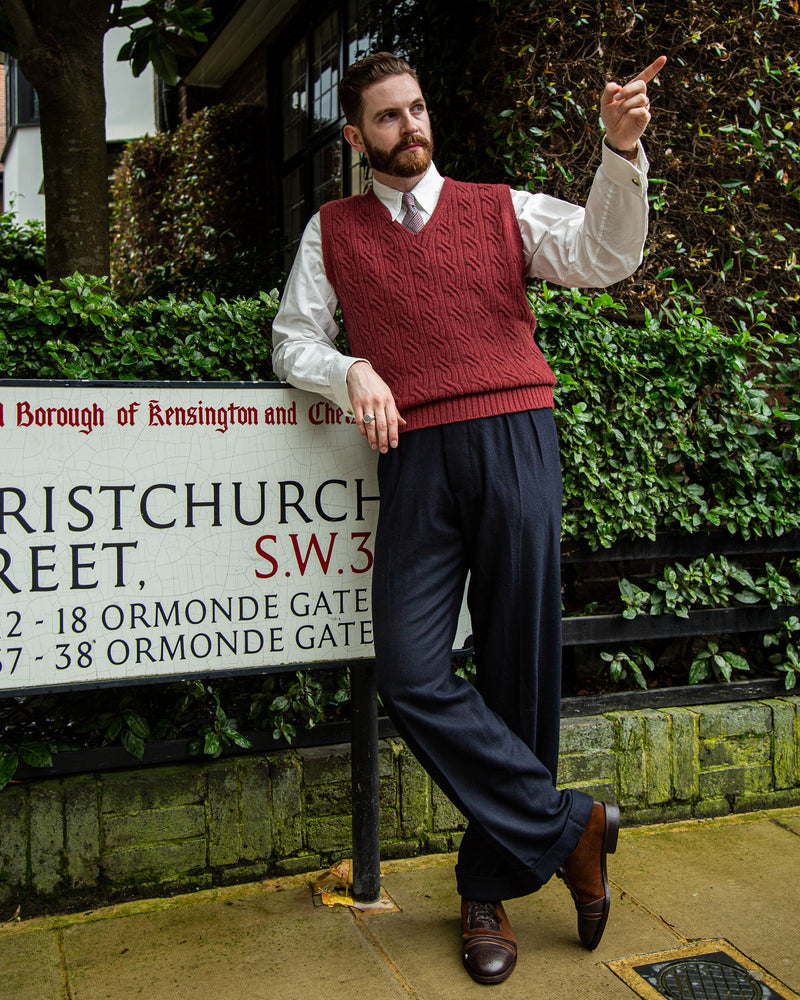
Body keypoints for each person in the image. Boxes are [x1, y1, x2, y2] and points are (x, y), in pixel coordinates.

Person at [272, 50, 666, 985]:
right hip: (416, 454)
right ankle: (571, 829)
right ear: (355, 137)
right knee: (410, 670)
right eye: (387, 117)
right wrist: (351, 370)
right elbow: (293, 341)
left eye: (416, 108)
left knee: (518, 669)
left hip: (515, 435)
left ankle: (487, 889)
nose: (409, 126)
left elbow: (604, 256)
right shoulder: (332, 231)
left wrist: (619, 154)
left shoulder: (499, 209)